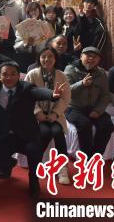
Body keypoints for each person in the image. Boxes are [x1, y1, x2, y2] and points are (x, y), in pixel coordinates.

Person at [0, 61, 65, 197]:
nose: (9, 77)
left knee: (35, 152)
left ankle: (34, 181)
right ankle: (8, 164)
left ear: (19, 76)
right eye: (5, 74)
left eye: (13, 74)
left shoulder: (27, 88)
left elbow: (39, 92)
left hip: (26, 134)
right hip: (3, 135)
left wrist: (52, 94)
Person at [25, 47, 72, 185]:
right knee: (44, 133)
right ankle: (36, 164)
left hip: (55, 115)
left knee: (57, 132)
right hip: (36, 116)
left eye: (50, 56)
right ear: (39, 58)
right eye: (43, 56)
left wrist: (55, 113)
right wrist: (37, 112)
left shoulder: (62, 75)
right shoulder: (32, 74)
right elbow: (26, 95)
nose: (47, 59)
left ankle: (62, 168)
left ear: (55, 58)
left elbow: (66, 98)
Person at [64, 47, 113, 156]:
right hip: (74, 108)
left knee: (107, 126)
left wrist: (98, 110)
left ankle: (96, 156)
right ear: (81, 56)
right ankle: (87, 157)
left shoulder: (101, 73)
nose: (91, 58)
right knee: (85, 124)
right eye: (88, 56)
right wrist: (81, 84)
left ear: (98, 60)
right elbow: (65, 91)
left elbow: (105, 95)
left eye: (94, 57)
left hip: (94, 108)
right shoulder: (70, 69)